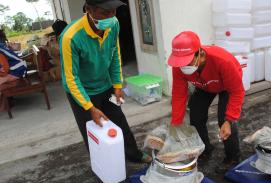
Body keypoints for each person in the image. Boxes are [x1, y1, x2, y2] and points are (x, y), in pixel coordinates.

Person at [60, 0, 151, 163]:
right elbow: (71, 78)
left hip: (105, 84)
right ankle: (104, 165)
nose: (110, 16)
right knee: (96, 131)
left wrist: (117, 85)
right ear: (89, 9)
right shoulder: (70, 37)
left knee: (119, 120)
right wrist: (90, 107)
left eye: (113, 11)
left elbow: (115, 54)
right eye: (104, 12)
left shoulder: (113, 24)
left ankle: (134, 155)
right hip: (82, 91)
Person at [167, 31, 245, 168]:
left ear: (201, 55)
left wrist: (229, 119)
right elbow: (179, 94)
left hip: (227, 86)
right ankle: (204, 150)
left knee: (225, 122)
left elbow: (237, 92)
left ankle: (233, 158)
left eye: (187, 62)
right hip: (203, 85)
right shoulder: (179, 66)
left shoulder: (223, 61)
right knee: (196, 116)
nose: (183, 66)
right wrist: (176, 122)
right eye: (180, 63)